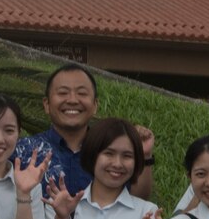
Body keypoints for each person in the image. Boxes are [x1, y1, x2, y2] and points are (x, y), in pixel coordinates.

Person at [43, 118, 172, 219]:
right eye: (109, 153)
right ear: (92, 155)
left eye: (127, 156)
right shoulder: (62, 207)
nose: (117, 164)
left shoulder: (145, 213)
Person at [18, 64, 155, 200]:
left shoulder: (110, 149)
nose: (72, 100)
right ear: (47, 104)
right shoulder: (23, 151)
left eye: (82, 93)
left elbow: (136, 199)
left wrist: (145, 155)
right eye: (63, 93)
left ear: (95, 105)